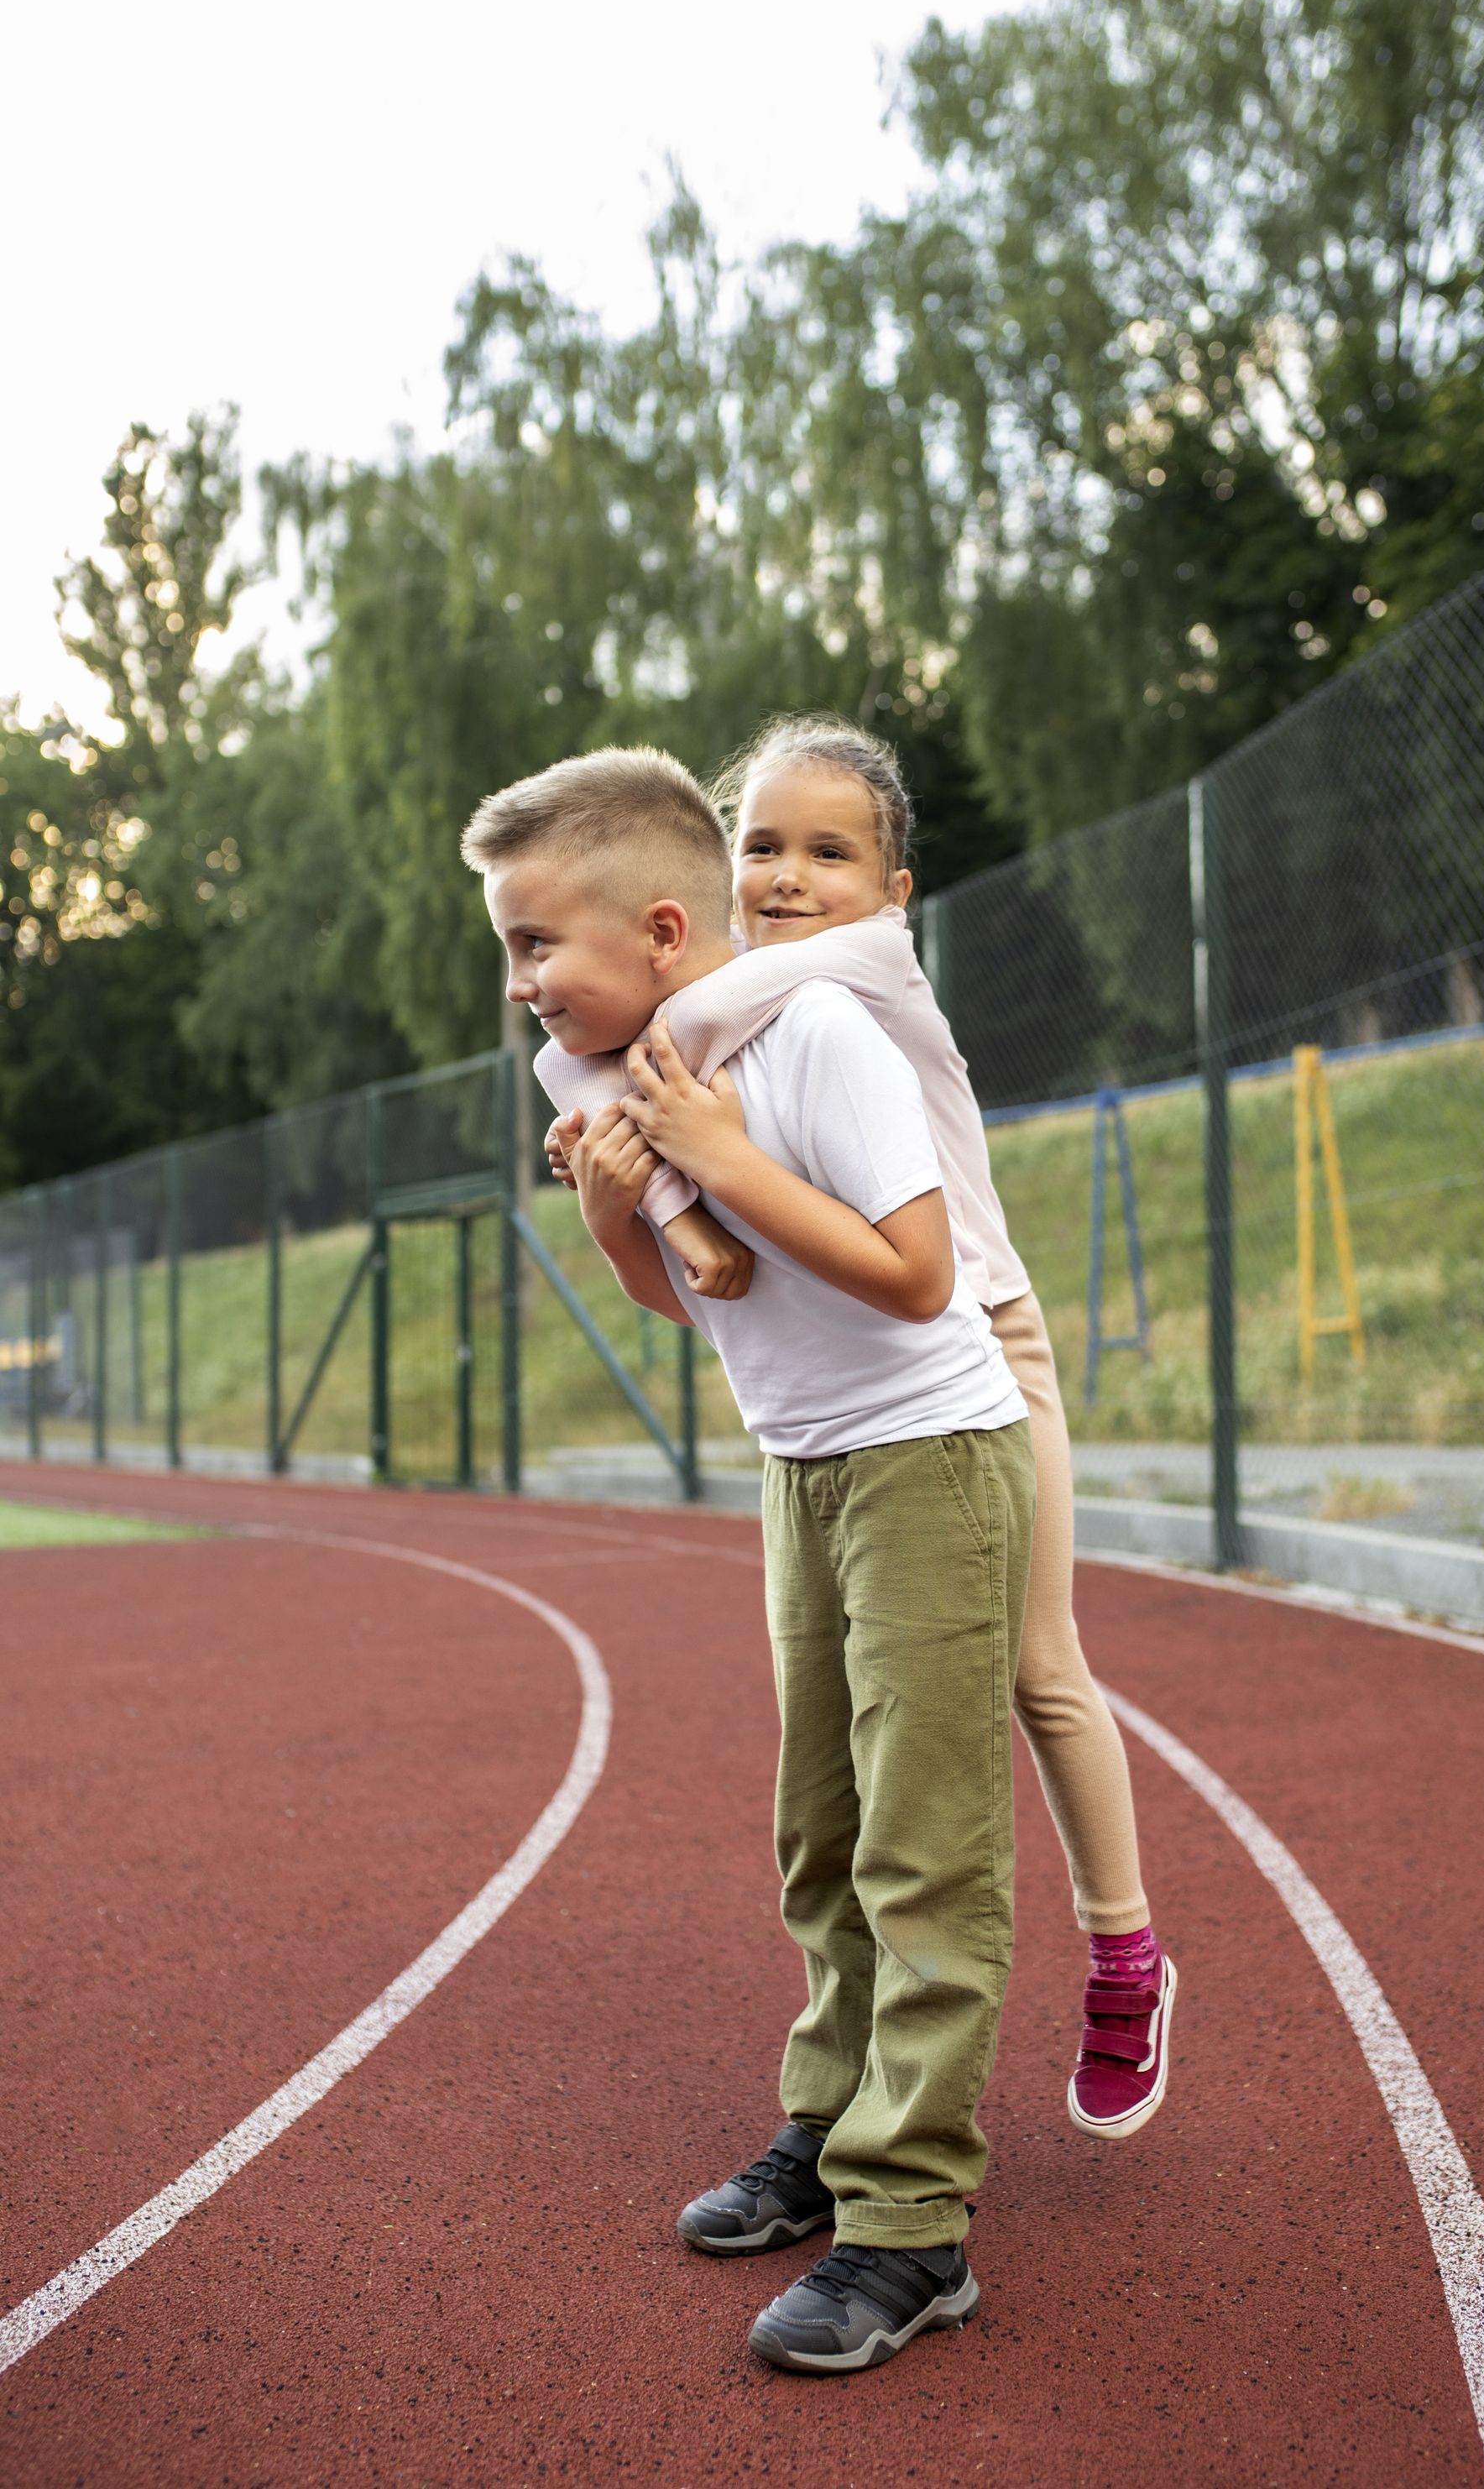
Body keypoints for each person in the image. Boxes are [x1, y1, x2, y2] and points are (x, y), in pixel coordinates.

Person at [461, 746, 1036, 2376]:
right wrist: (621, 1208)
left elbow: (918, 1279)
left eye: (530, 947)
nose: (515, 984)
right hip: (805, 1473)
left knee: (924, 1853)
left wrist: (714, 1155)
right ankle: (830, 2123)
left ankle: (912, 2228)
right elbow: (687, 1302)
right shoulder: (617, 1074)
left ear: (657, 925)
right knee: (821, 1832)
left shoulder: (816, 1038)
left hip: (930, 1456)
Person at [540, 716, 1176, 2146]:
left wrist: (606, 1096)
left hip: (979, 1346)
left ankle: (1126, 1959)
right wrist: (622, 1176)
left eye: (831, 853)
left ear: (894, 895)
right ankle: (853, 2088)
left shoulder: (850, 974)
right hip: (842, 1386)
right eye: (759, 845)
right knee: (845, 1766)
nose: (785, 877)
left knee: (1037, 1661)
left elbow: (642, 1039)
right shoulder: (729, 1005)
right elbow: (698, 1264)